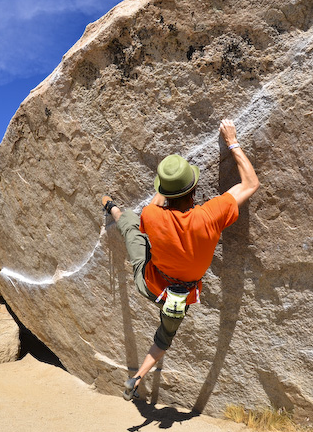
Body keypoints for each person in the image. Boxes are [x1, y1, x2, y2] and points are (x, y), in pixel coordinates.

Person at [102, 119, 259, 401]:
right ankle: (138, 377)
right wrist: (232, 140)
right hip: (180, 296)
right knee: (165, 337)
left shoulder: (152, 215)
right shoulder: (211, 215)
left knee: (131, 228)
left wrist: (169, 177)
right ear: (195, 189)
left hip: (149, 283)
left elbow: (158, 199)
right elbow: (250, 183)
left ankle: (112, 208)